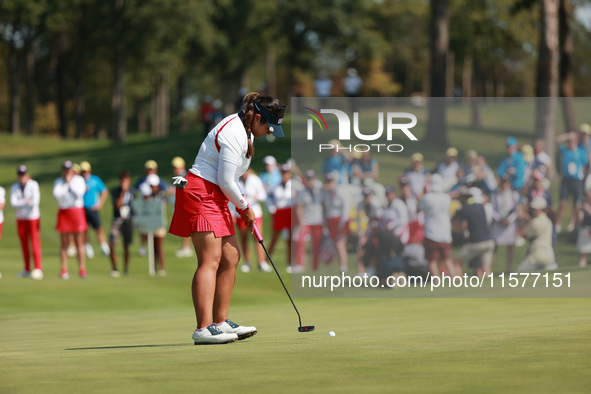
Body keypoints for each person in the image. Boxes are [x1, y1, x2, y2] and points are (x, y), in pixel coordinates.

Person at [168, 92, 286, 344]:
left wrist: (242, 205)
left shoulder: (247, 130)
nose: (268, 132)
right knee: (210, 259)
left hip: (217, 196)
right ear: (256, 118)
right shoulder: (234, 132)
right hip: (201, 193)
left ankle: (220, 322)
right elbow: (224, 179)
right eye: (268, 126)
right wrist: (245, 208)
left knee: (231, 255)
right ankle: (203, 328)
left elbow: (228, 181)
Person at [53, 160, 88, 279]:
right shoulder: (58, 182)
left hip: (76, 211)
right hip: (64, 211)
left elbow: (79, 193)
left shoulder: (78, 180)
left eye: (69, 170)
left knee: (79, 241)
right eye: (65, 170)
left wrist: (69, 183)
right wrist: (66, 184)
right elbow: (57, 195)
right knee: (64, 242)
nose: (67, 172)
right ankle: (64, 269)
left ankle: (82, 269)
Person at [234, 169, 271, 273]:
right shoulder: (235, 180)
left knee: (258, 239)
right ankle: (246, 263)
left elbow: (263, 195)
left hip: (255, 213)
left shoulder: (255, 180)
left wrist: (254, 197)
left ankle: (261, 262)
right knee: (244, 239)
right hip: (240, 214)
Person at [452, 187, 495, 278]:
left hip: (476, 242)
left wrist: (456, 226)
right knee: (485, 268)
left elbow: (463, 228)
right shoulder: (480, 207)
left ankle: (458, 285)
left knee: (456, 263)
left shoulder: (465, 209)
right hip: (489, 241)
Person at [10, 165, 43, 279]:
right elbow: (13, 203)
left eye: (23, 174)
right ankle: (27, 268)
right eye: (20, 174)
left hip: (33, 217)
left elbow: (35, 202)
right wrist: (25, 201)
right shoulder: (15, 186)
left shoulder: (33, 185)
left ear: (27, 174)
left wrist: (21, 202)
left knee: (34, 243)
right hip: (21, 218)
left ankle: (38, 268)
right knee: (24, 244)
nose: (22, 176)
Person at [418, 174, 455, 277]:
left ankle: (437, 281)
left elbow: (419, 208)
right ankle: (455, 281)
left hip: (431, 232)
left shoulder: (427, 198)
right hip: (445, 233)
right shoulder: (446, 197)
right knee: (447, 259)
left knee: (432, 261)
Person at [555, 131, 588, 233]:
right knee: (562, 203)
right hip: (566, 180)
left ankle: (573, 222)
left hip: (576, 180)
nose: (571, 142)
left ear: (576, 141)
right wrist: (567, 136)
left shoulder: (581, 152)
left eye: (573, 140)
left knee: (575, 203)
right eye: (569, 140)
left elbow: (586, 165)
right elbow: (556, 140)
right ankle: (558, 223)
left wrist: (582, 175)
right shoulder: (565, 151)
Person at [135, 159, 168, 257]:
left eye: (152, 169)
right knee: (143, 229)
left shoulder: (159, 181)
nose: (150, 171)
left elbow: (165, 191)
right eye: (148, 169)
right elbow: (135, 191)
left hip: (156, 212)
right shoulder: (141, 181)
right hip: (144, 210)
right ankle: (142, 246)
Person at [516, 197, 556, 272]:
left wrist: (524, 222)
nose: (533, 211)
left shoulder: (536, 222)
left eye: (535, 209)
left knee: (519, 273)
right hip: (549, 256)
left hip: (537, 256)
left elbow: (524, 234)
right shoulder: (548, 221)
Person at [295, 169, 324, 272]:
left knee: (316, 245)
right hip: (306, 221)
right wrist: (301, 222)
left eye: (311, 179)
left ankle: (315, 267)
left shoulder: (320, 189)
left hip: (318, 221)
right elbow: (299, 207)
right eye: (308, 179)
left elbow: (324, 205)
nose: (310, 181)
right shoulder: (302, 192)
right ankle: (300, 265)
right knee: (300, 241)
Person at [79, 161, 110, 258]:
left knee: (98, 228)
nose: (85, 173)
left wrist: (100, 204)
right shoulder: (79, 181)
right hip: (82, 209)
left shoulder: (95, 180)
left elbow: (104, 191)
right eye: (83, 171)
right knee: (84, 230)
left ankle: (104, 247)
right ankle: (88, 247)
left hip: (93, 209)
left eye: (86, 171)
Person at [322, 172, 351, 273]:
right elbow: (326, 209)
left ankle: (344, 266)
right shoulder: (326, 194)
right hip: (331, 220)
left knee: (340, 244)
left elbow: (346, 207)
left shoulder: (341, 191)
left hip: (340, 220)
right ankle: (340, 265)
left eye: (330, 181)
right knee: (335, 244)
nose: (329, 184)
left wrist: (342, 222)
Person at [491, 176, 521, 273]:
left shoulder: (514, 195)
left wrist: (509, 220)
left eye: (506, 183)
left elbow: (516, 210)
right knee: (494, 248)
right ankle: (488, 270)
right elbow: (492, 209)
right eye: (503, 183)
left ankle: (509, 269)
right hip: (499, 223)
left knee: (510, 247)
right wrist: (499, 219)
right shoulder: (496, 195)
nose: (505, 185)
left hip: (509, 224)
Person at [267, 164, 293, 272]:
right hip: (279, 212)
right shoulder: (275, 186)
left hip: (289, 212)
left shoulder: (293, 185)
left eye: (286, 172)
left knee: (290, 240)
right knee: (274, 238)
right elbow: (268, 197)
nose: (284, 175)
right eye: (282, 172)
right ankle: (265, 262)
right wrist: (271, 208)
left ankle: (290, 263)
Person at [141, 174, 168, 276]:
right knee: (152, 247)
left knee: (159, 247)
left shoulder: (161, 195)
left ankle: (161, 268)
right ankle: (154, 268)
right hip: (150, 224)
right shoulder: (147, 196)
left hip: (159, 224)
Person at [109, 170, 134, 277]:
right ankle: (115, 268)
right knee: (112, 244)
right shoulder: (116, 192)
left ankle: (125, 268)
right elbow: (117, 206)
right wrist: (123, 193)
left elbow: (135, 208)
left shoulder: (132, 192)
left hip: (128, 221)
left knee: (126, 246)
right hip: (117, 220)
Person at [171, 156, 193, 258]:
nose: (176, 169)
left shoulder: (185, 177)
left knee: (185, 227)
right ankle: (185, 247)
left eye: (178, 167)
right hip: (180, 206)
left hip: (186, 206)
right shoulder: (178, 177)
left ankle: (186, 248)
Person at [577, 188, 591, 267]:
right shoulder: (584, 205)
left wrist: (588, 209)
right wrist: (578, 212)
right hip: (585, 231)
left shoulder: (586, 207)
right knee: (583, 254)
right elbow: (580, 220)